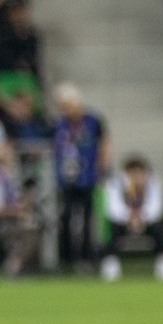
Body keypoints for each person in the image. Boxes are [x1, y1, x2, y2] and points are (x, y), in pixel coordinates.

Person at [52, 82, 109, 273]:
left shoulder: (93, 121)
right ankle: (66, 259)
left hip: (87, 176)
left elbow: (104, 143)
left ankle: (86, 258)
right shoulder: (60, 123)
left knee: (87, 219)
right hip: (66, 178)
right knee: (65, 217)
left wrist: (101, 167)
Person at [101, 156, 163, 281]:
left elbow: (157, 209)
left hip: (146, 222)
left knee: (158, 227)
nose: (137, 177)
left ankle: (162, 260)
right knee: (112, 228)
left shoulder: (154, 184)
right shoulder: (115, 184)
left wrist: (141, 217)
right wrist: (129, 216)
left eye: (140, 173)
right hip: (124, 222)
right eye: (133, 173)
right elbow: (112, 208)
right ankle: (111, 262)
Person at [0, 137, 40, 277]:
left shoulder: (5, 177)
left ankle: (19, 266)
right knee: (30, 233)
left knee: (32, 226)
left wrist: (23, 203)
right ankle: (13, 266)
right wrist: (17, 211)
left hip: (5, 222)